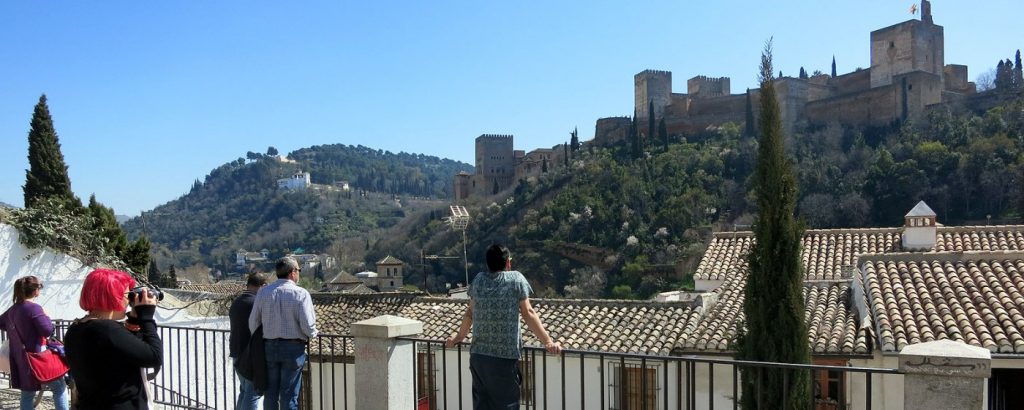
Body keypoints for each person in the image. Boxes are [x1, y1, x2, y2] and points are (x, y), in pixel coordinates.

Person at [445, 244, 562, 410]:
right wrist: (548, 342)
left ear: (488, 264)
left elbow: (470, 313)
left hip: (478, 358)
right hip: (503, 358)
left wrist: (458, 338)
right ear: (508, 263)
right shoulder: (516, 279)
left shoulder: (478, 280)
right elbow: (528, 312)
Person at [64, 268, 162, 410]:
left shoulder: (76, 328)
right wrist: (147, 318)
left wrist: (134, 321)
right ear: (113, 295)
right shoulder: (108, 330)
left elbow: (121, 356)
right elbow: (154, 356)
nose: (129, 301)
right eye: (128, 295)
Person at [249, 257, 317, 410]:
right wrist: (313, 334)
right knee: (289, 396)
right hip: (293, 349)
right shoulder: (301, 294)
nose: (299, 273)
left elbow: (253, 322)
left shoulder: (264, 292)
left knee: (270, 393)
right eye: (298, 270)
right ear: (292, 272)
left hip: (269, 346)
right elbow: (308, 325)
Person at [0, 276, 69, 410]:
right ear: (35, 291)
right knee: (59, 387)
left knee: (27, 394)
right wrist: (46, 316)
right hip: (38, 358)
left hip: (21, 359)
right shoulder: (35, 308)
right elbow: (47, 330)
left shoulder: (12, 310)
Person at [230, 272, 269, 410]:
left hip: (236, 352)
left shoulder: (237, 302)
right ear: (263, 286)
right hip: (250, 355)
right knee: (253, 393)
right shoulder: (255, 304)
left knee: (244, 391)